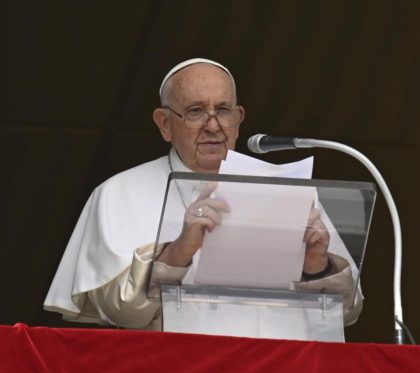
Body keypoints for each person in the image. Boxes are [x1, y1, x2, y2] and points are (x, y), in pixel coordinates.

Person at [44, 58, 362, 330]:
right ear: (164, 123)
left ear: (238, 120)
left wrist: (317, 266)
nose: (213, 126)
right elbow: (120, 312)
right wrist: (178, 252)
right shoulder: (119, 193)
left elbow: (346, 314)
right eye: (195, 111)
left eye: (223, 110)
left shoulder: (289, 190)